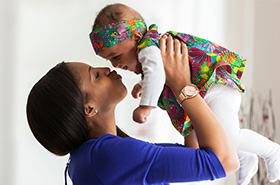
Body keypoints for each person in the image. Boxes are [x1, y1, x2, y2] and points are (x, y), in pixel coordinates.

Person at [89, 3, 280, 185]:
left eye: (116, 57)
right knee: (205, 143)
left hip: (216, 88)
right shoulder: (150, 51)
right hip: (204, 93)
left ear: (137, 38)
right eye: (109, 60)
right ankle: (245, 157)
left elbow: (156, 73)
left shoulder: (148, 49)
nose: (114, 66)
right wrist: (143, 83)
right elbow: (157, 72)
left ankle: (272, 152)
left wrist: (145, 106)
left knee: (228, 135)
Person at [26, 36, 239, 185]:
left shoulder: (94, 157)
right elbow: (224, 162)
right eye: (96, 75)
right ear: (89, 109)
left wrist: (175, 88)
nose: (107, 68)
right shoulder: (106, 156)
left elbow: (193, 157)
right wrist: (183, 87)